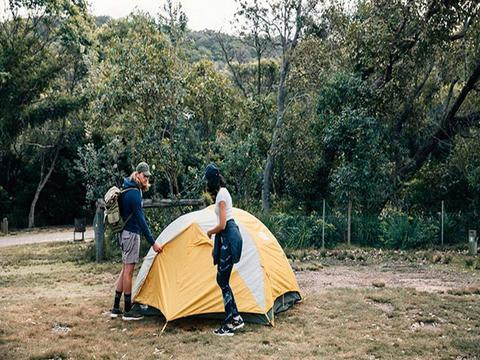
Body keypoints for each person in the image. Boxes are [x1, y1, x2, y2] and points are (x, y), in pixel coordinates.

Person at [110, 161, 162, 321]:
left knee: (125, 269)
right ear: (137, 174)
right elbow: (140, 220)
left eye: (148, 176)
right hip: (131, 234)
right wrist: (153, 242)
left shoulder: (127, 187)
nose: (146, 178)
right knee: (128, 272)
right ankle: (127, 311)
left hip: (124, 233)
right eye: (144, 175)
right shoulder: (133, 193)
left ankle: (115, 307)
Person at [204, 163, 244, 336]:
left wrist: (210, 232)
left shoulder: (221, 195)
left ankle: (229, 324)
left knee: (222, 280)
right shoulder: (224, 192)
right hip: (229, 235)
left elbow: (221, 224)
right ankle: (236, 317)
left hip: (228, 236)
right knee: (223, 280)